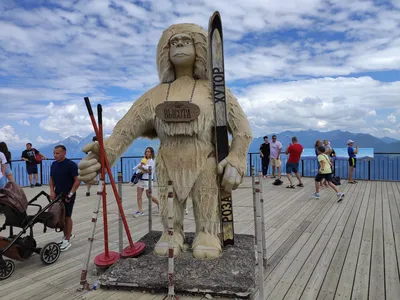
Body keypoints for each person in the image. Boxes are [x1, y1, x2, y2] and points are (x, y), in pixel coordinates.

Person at [49, 145, 80, 251]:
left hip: (68, 194)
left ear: (64, 153)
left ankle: (67, 239)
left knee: (67, 216)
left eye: (57, 153)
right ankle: (66, 235)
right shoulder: (53, 164)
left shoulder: (71, 165)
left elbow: (77, 180)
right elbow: (52, 179)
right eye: (54, 153)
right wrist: (52, 191)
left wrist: (71, 193)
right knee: (60, 216)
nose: (55, 155)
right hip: (58, 194)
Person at [134, 147, 159, 217]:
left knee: (149, 196)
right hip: (141, 179)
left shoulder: (152, 161)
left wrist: (141, 167)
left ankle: (159, 204)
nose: (147, 153)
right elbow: (139, 168)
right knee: (139, 196)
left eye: (149, 151)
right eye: (146, 151)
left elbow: (149, 171)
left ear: (151, 153)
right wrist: (140, 168)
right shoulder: (143, 160)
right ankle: (140, 211)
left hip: (148, 180)